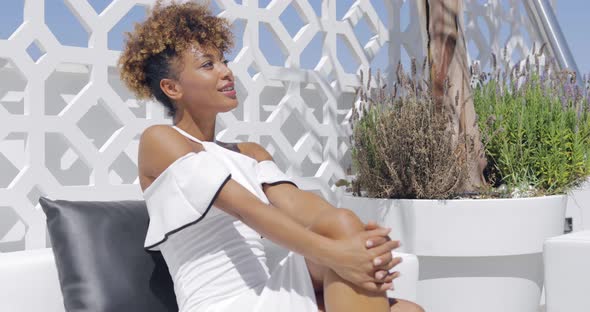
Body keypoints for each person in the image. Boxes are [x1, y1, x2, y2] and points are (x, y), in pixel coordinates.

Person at [118, 1, 424, 311]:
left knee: (405, 306)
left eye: (223, 60)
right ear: (172, 88)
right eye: (208, 65)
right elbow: (248, 210)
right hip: (222, 305)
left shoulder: (249, 152)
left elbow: (302, 207)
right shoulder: (161, 141)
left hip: (265, 293)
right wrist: (339, 255)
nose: (226, 72)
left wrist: (362, 239)